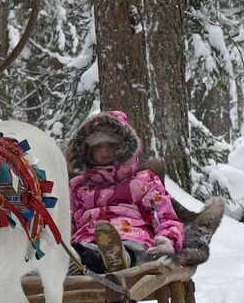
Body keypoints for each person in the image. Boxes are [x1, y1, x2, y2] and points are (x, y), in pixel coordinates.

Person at [65, 110, 183, 273]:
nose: (105, 151)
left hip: (132, 236)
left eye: (111, 145)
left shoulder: (142, 181)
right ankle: (80, 259)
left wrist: (168, 238)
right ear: (87, 150)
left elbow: (163, 215)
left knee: (134, 249)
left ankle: (122, 258)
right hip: (88, 240)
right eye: (98, 146)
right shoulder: (78, 187)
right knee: (84, 252)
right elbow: (68, 221)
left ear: (124, 147)